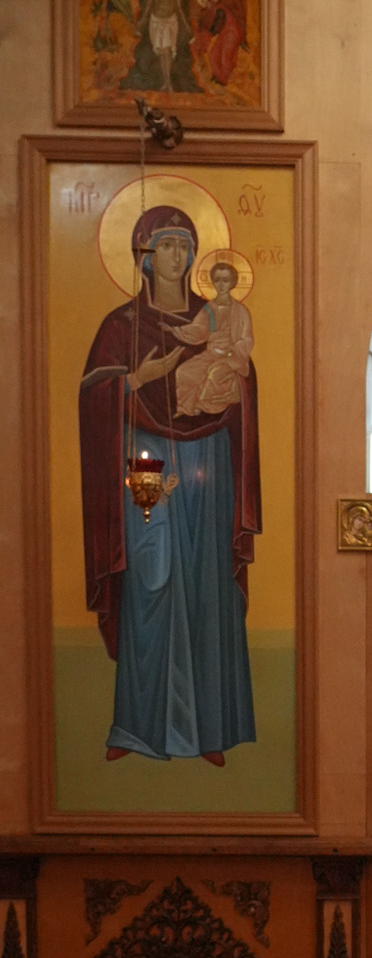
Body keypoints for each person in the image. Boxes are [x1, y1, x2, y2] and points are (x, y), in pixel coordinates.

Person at [79, 205, 260, 765]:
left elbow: (245, 379)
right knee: (149, 576)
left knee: (208, 582)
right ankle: (136, 728)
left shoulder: (217, 316)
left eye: (186, 245)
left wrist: (232, 377)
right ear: (143, 256)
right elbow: (94, 397)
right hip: (145, 458)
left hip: (210, 461)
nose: (178, 255)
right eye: (167, 245)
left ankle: (209, 730)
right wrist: (140, 378)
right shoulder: (121, 326)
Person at [172, 254, 254, 416]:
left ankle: (199, 405)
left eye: (225, 280)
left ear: (232, 283)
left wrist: (233, 350)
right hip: (210, 354)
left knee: (215, 374)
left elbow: (247, 338)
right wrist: (177, 330)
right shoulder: (208, 309)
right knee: (183, 372)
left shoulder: (240, 310)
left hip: (232, 357)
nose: (221, 284)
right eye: (217, 280)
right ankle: (185, 408)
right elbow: (198, 330)